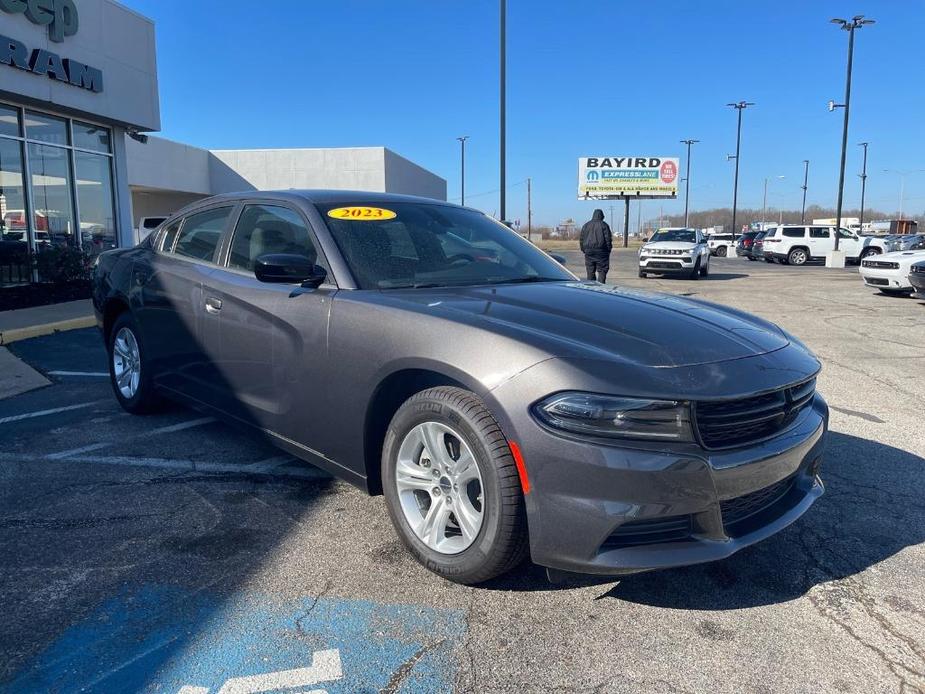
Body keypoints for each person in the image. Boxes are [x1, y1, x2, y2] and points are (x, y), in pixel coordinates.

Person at [579, 209, 613, 283]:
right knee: (602, 270)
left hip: (588, 251)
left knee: (590, 270)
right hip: (601, 252)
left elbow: (581, 239)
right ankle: (601, 287)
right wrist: (608, 250)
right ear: (602, 216)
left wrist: (583, 249)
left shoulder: (586, 225)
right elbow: (608, 239)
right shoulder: (604, 225)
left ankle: (591, 288)